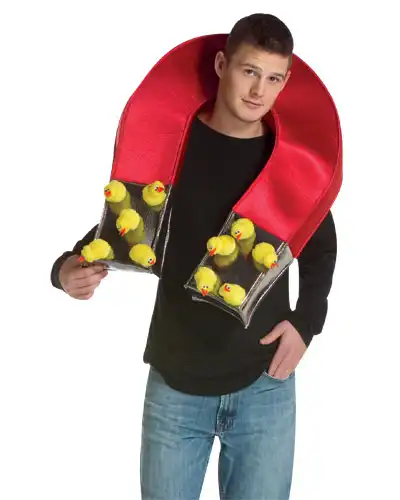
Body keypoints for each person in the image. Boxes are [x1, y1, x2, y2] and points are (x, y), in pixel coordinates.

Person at [51, 13, 337, 500]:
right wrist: (64, 269)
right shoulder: (175, 145)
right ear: (222, 65)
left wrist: (306, 323)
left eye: (273, 78)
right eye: (249, 71)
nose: (258, 91)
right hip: (176, 385)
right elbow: (127, 222)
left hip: (265, 382)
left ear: (286, 82)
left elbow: (320, 246)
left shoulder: (289, 162)